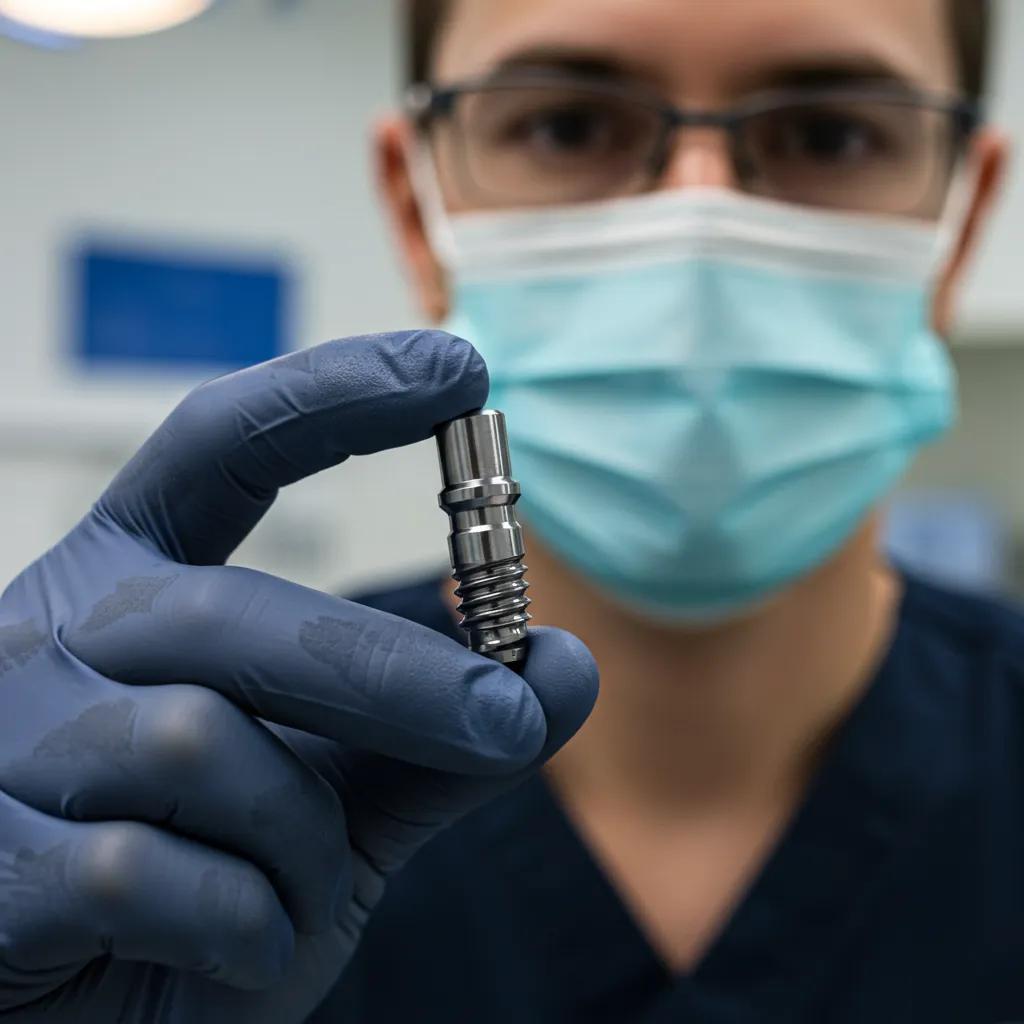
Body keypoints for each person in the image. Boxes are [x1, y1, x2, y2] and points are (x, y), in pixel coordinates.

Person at [0, 0, 1016, 1022]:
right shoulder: (218, 787)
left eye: (827, 134)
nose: (694, 224)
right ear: (414, 203)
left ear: (964, 212)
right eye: (568, 124)